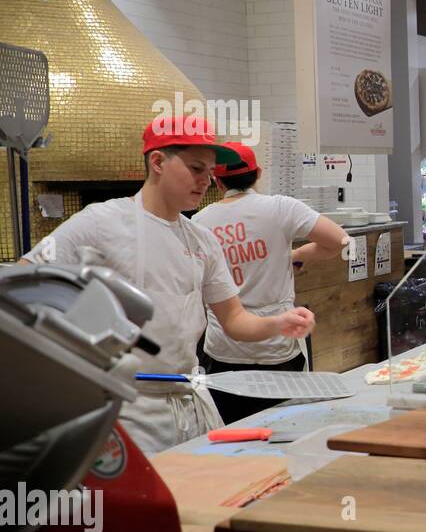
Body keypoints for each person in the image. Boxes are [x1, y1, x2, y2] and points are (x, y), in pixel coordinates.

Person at [19, 116, 315, 454]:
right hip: (126, 410)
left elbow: (234, 320)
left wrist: (277, 323)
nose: (207, 180)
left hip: (189, 402)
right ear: (158, 161)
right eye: (196, 168)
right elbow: (24, 280)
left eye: (210, 172)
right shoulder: (100, 222)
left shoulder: (203, 239)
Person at [191, 142, 349, 425]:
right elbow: (339, 241)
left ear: (216, 180)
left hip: (224, 351)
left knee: (233, 437)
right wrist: (297, 256)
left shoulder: (200, 221)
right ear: (258, 173)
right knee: (283, 432)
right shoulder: (280, 207)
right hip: (278, 345)